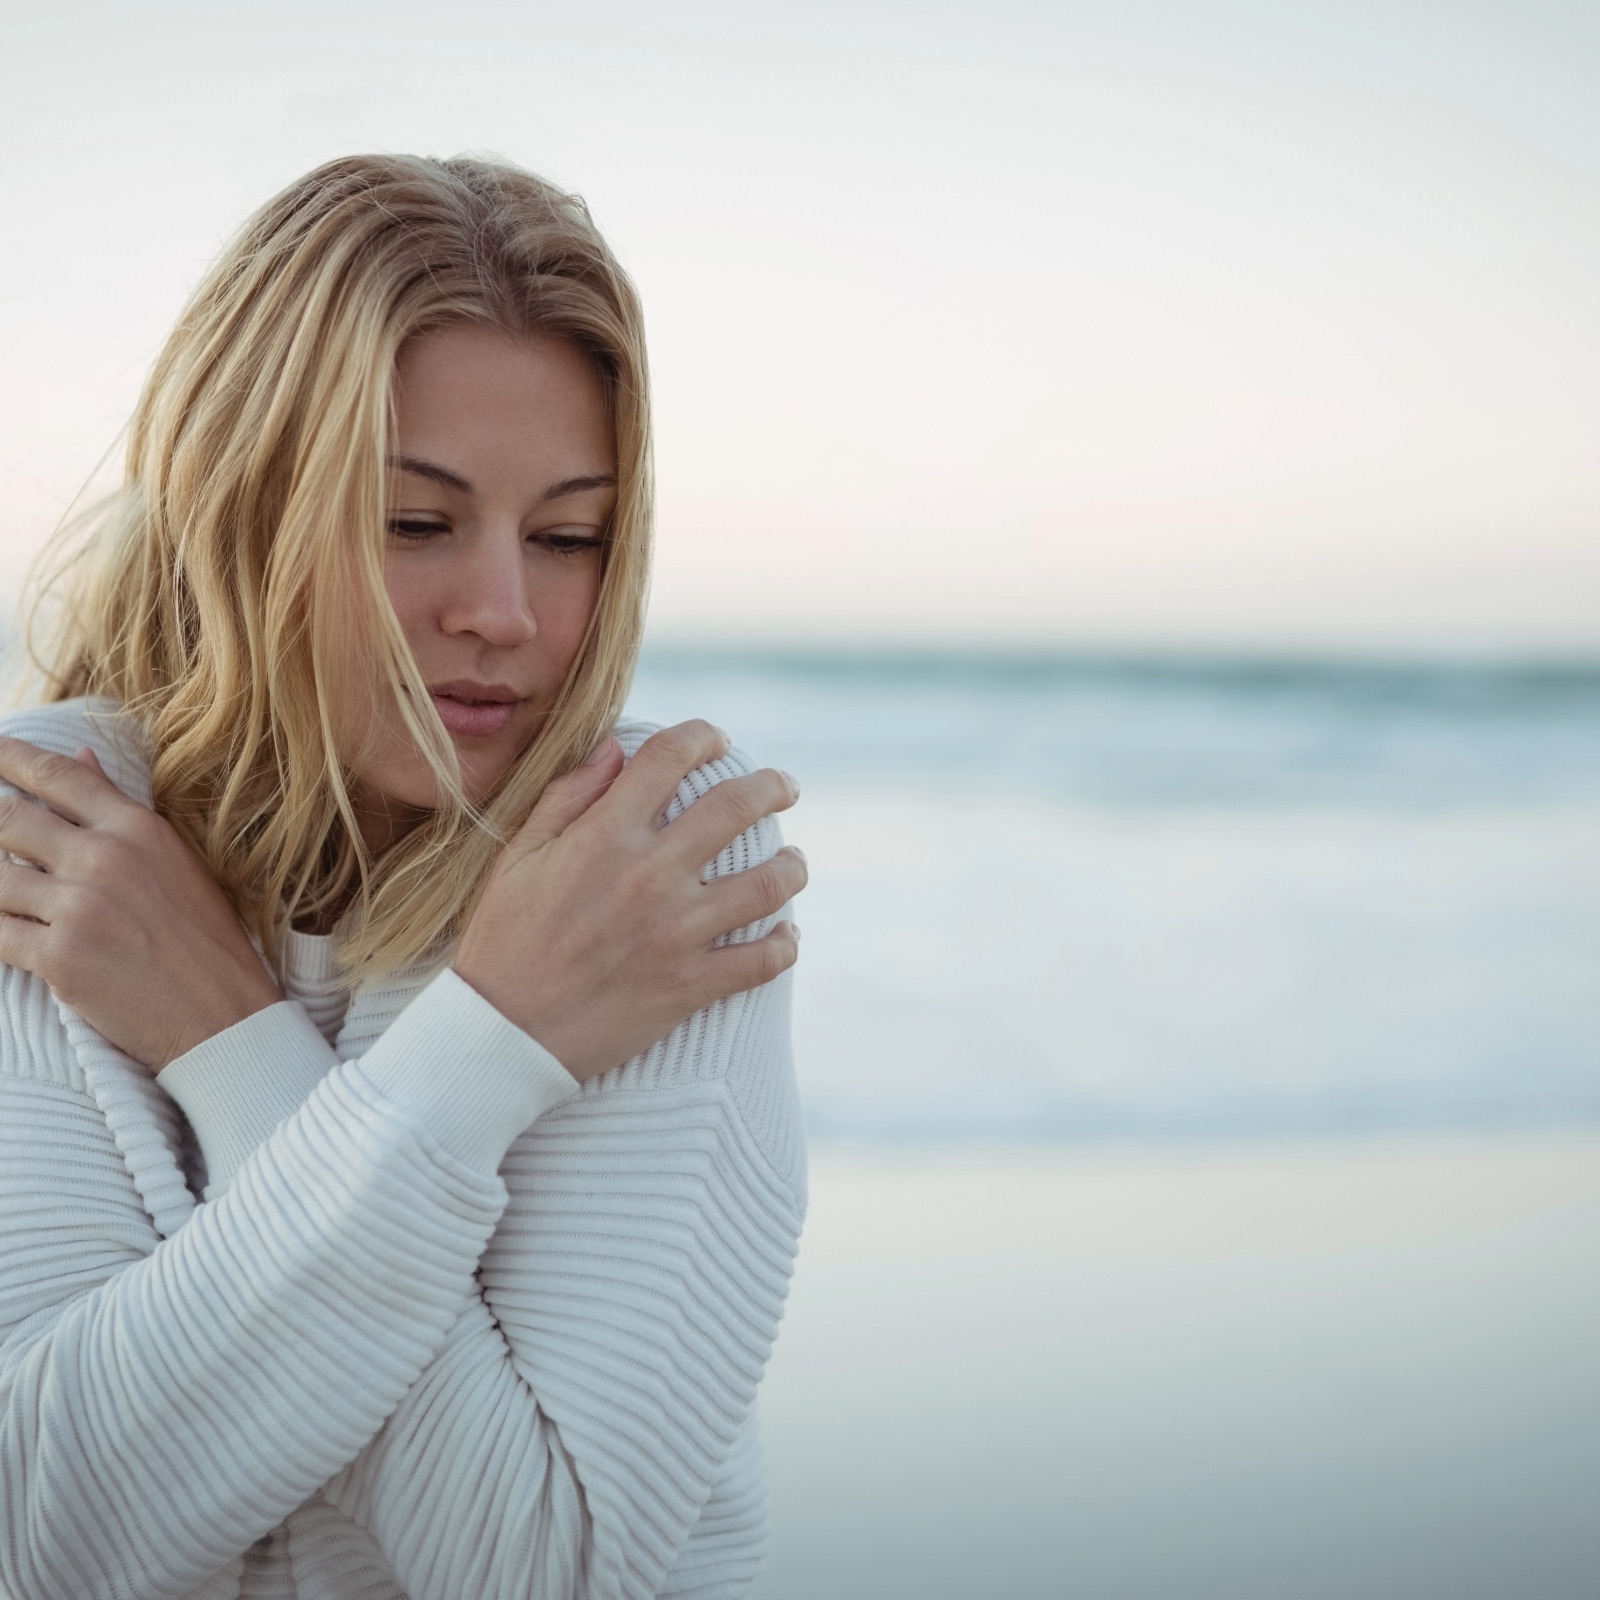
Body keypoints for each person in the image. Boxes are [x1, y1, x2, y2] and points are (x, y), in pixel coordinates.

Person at [0, 153, 807, 1599]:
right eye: (414, 522)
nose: (503, 611)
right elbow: (41, 1539)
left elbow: (540, 1571)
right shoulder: (43, 831)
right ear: (235, 504)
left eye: (571, 538)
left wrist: (241, 1043)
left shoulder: (649, 863)